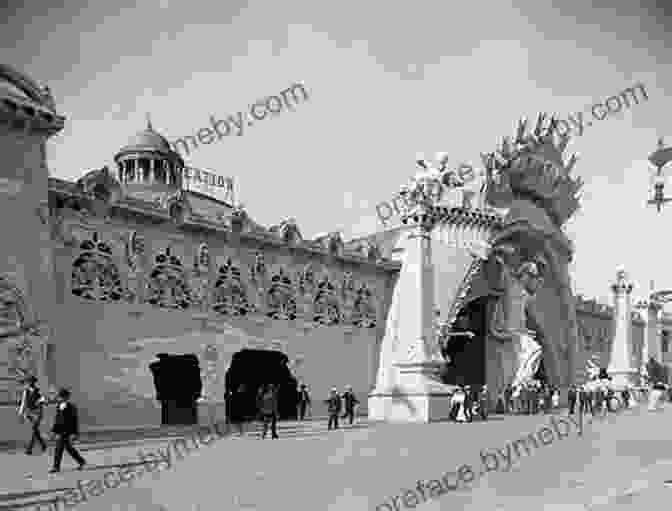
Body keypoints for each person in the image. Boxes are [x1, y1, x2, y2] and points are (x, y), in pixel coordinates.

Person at [49, 388, 86, 473]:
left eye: (61, 397)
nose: (59, 398)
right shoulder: (58, 406)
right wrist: (54, 431)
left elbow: (74, 420)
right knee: (69, 448)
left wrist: (75, 433)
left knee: (58, 448)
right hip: (60, 431)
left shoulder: (71, 407)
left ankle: (56, 467)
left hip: (67, 431)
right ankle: (81, 461)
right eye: (59, 397)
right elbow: (57, 420)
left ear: (66, 397)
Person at [18, 376, 48, 455]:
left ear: (34, 382)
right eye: (28, 381)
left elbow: (44, 399)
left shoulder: (38, 390)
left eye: (31, 381)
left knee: (34, 429)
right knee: (35, 430)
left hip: (38, 412)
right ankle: (43, 444)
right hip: (29, 413)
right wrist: (21, 414)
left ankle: (29, 448)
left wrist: (40, 401)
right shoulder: (25, 391)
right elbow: (23, 403)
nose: (30, 383)